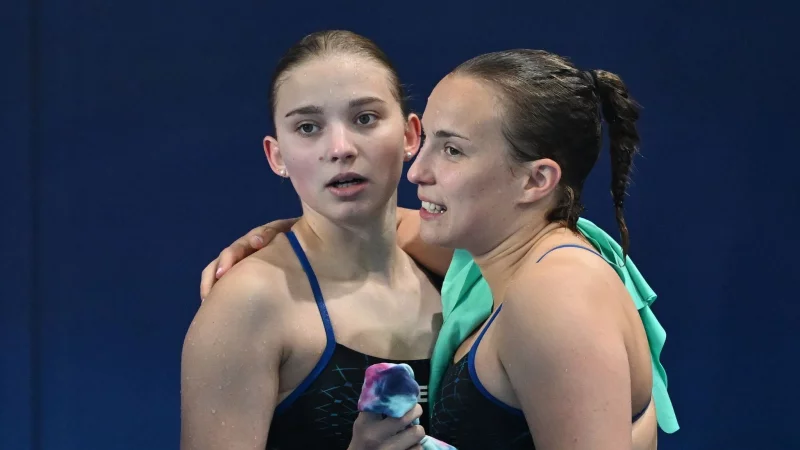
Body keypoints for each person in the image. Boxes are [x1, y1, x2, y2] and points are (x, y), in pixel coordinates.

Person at [197, 44, 679, 449]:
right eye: (308, 127)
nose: (418, 172)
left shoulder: (548, 287)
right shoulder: (472, 259)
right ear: (276, 154)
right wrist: (282, 235)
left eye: (451, 148)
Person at [181, 30, 441, 450]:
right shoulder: (249, 303)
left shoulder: (462, 263)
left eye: (365, 119)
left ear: (411, 135)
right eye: (308, 127)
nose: (340, 148)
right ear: (276, 155)